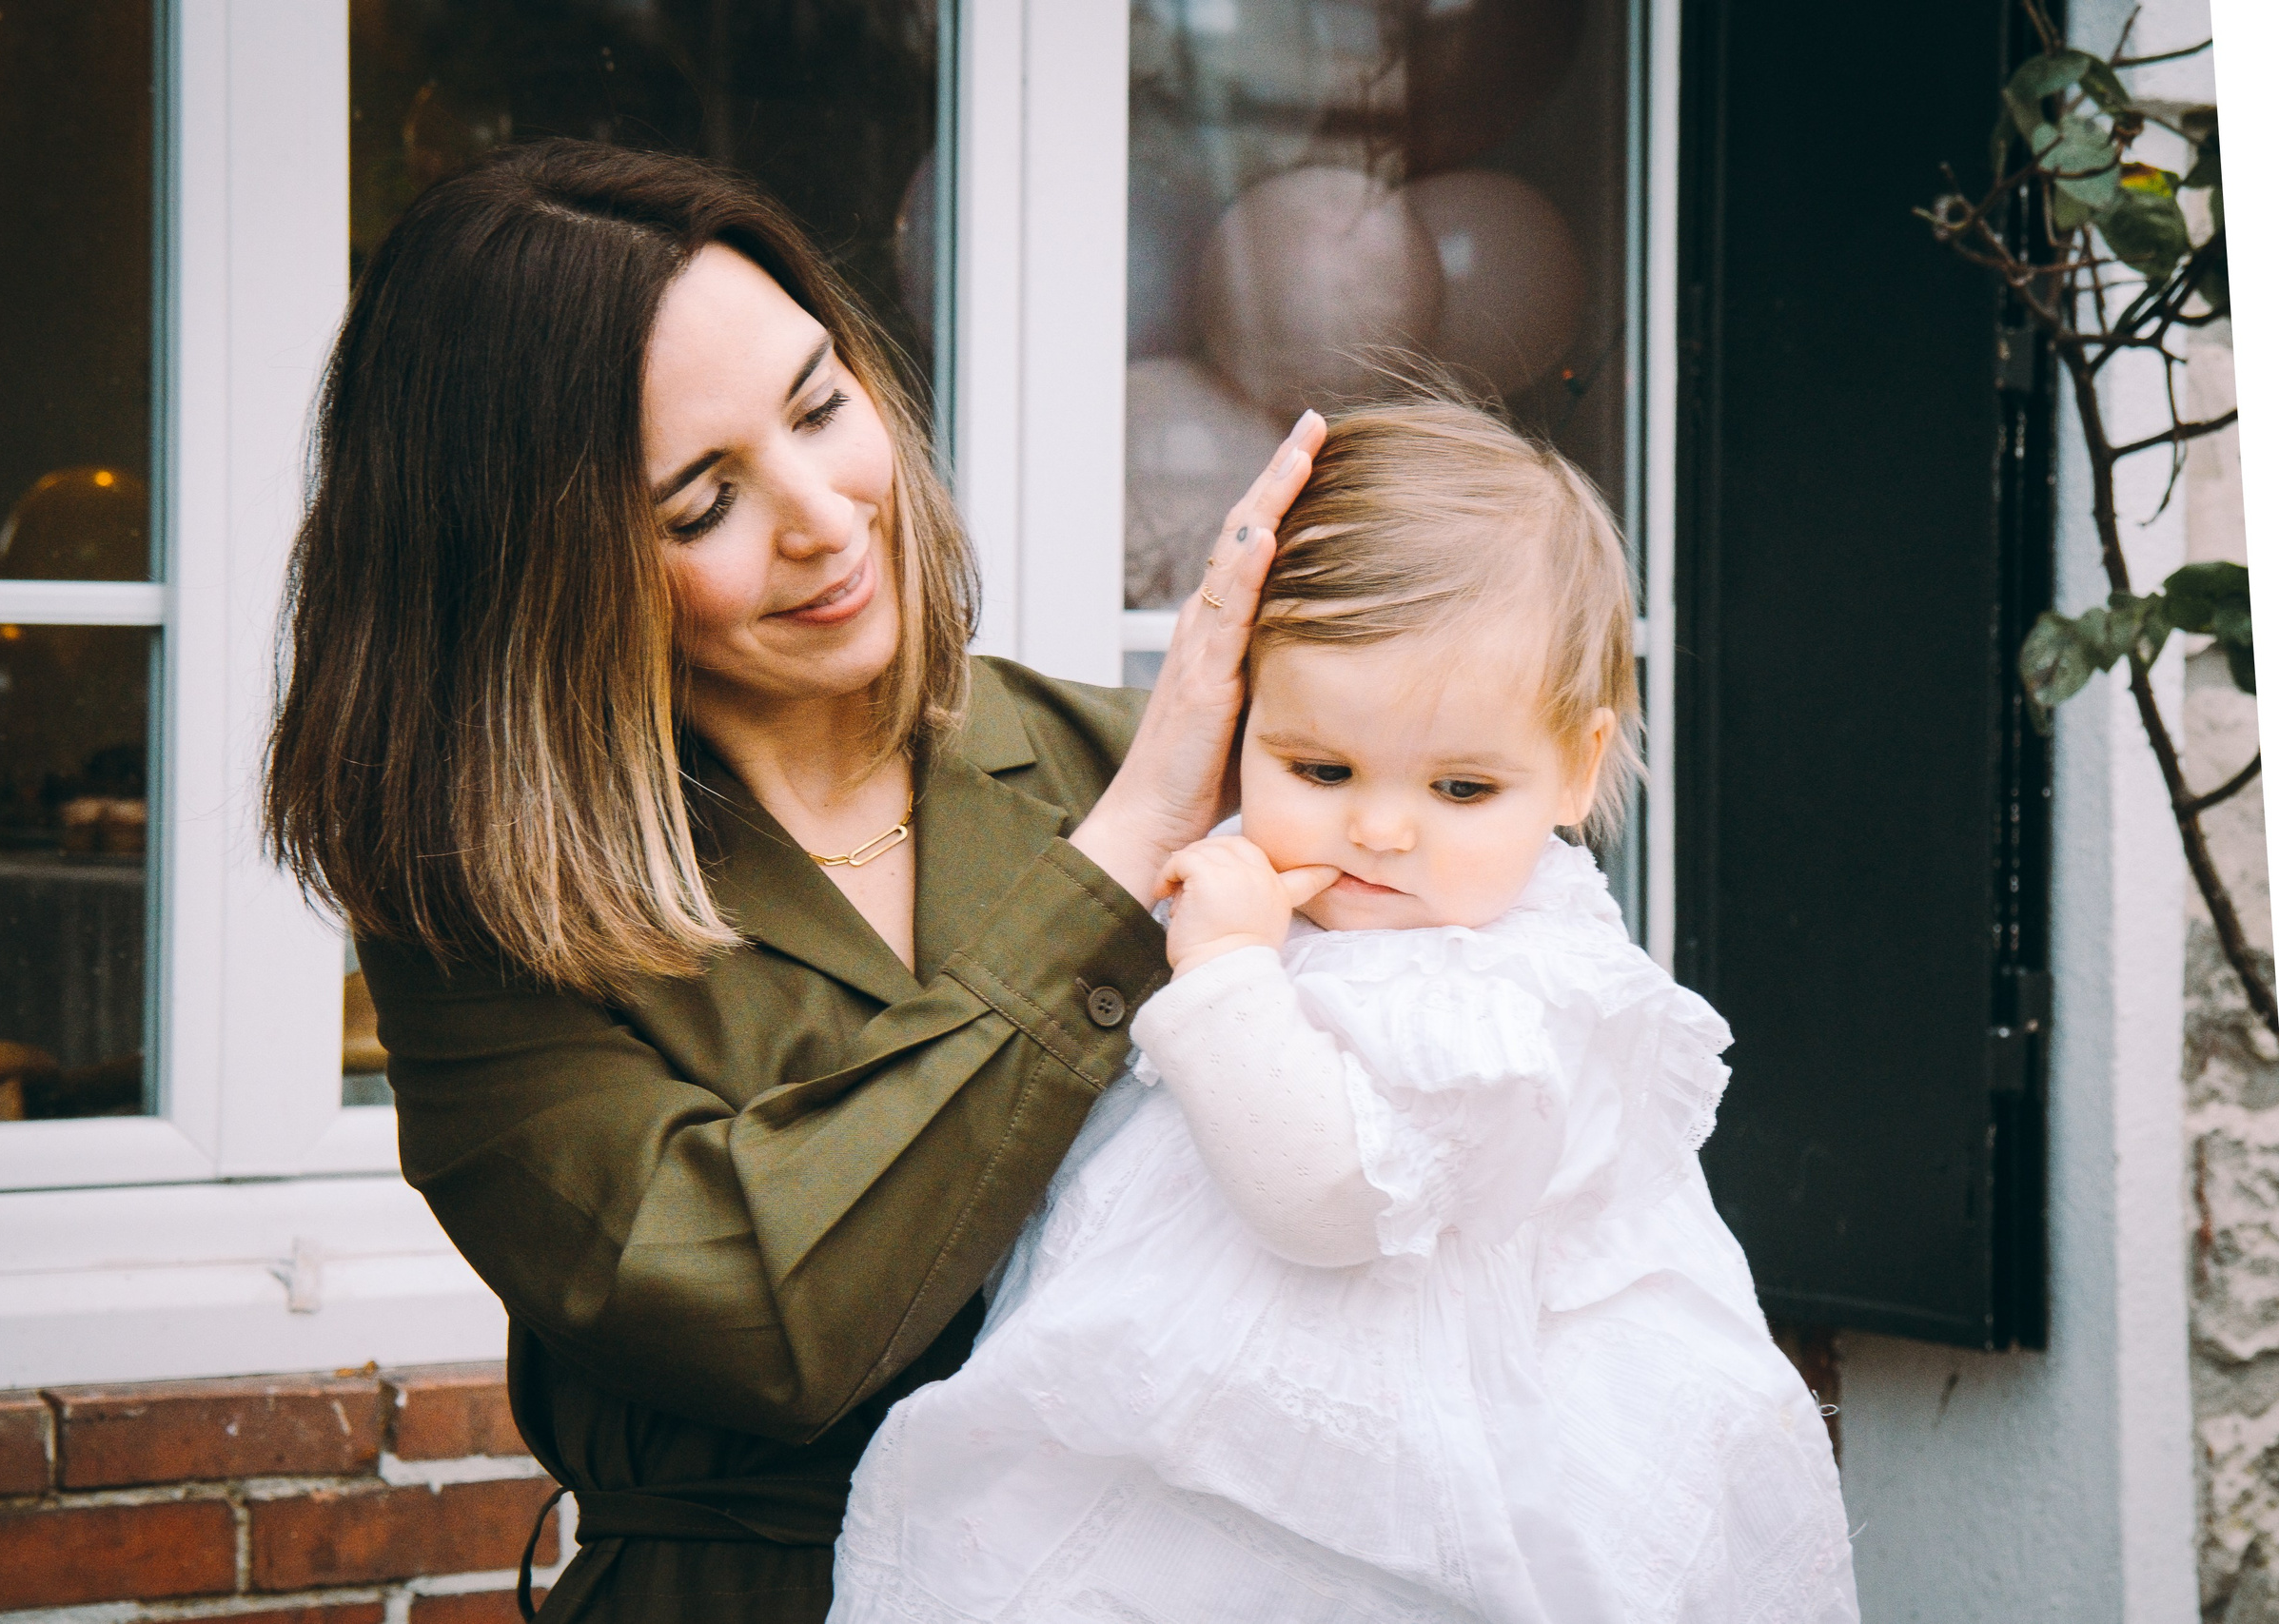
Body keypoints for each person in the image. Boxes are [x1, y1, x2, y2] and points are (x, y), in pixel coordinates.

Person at [261, 138, 1325, 1624]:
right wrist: (1115, 871)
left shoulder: (1122, 760)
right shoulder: (482, 925)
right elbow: (767, 1315)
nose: (826, 516)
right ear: (536, 581)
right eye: (701, 504)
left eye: (822, 406)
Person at [830, 394, 1861, 1623]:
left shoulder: (1513, 990)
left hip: (1384, 1504)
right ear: (1239, 720)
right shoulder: (1264, 891)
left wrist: (1221, 979)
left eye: (1463, 786)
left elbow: (1323, 1198)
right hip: (1170, 1435)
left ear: (1577, 770)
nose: (1379, 827)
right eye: (1319, 769)